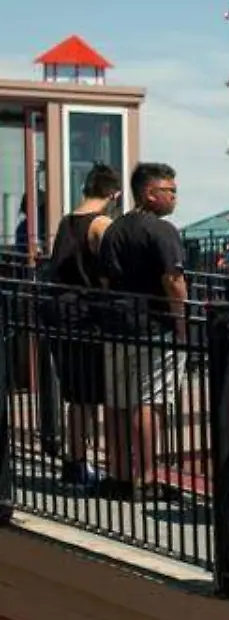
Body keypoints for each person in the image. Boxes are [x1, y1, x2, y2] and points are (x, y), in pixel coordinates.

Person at [97, 162, 188, 502]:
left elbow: (105, 281)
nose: (175, 197)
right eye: (171, 190)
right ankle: (147, 480)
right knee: (150, 402)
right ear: (151, 193)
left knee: (119, 403)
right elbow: (173, 280)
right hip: (154, 328)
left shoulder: (114, 229)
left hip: (116, 326)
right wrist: (182, 323)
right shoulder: (162, 231)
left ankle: (119, 477)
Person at [45, 163, 123, 487]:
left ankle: (75, 461)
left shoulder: (67, 221)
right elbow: (110, 274)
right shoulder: (101, 224)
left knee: (77, 395)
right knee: (87, 396)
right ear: (113, 194)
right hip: (87, 317)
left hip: (60, 313)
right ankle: (78, 465)